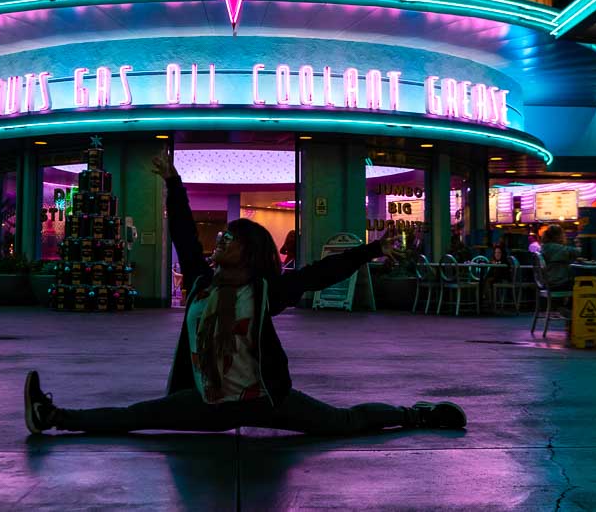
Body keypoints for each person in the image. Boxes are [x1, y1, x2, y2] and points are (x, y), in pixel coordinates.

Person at [23, 152, 467, 436]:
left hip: (266, 400)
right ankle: (53, 416)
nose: (219, 243)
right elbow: (183, 235)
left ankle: (417, 415)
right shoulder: (200, 282)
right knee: (138, 415)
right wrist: (174, 185)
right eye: (220, 239)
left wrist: (370, 249)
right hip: (208, 404)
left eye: (228, 239)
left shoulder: (265, 291)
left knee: (343, 423)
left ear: (249, 251)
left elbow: (318, 274)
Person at [538, 225, 583, 290]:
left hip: (546, 281)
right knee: (581, 281)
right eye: (563, 234)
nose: (565, 236)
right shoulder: (556, 248)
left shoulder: (545, 247)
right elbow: (577, 252)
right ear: (558, 236)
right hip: (557, 282)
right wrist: (579, 244)